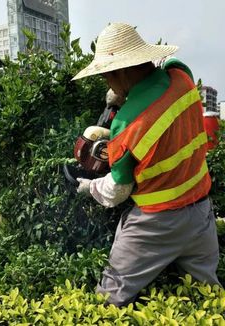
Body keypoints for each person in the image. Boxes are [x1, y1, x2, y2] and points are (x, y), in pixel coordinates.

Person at [73, 22, 220, 307]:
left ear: (119, 72)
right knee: (209, 299)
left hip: (156, 223)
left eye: (107, 77)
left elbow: (118, 190)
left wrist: (89, 187)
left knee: (109, 299)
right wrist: (127, 95)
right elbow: (166, 69)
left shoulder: (127, 126)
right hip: (201, 213)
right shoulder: (182, 76)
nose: (107, 84)